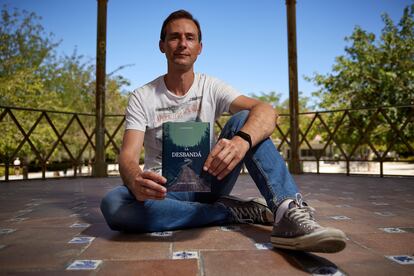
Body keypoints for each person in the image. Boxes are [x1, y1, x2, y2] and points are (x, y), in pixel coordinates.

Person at [101, 9, 346, 253]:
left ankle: (287, 210)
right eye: (174, 37)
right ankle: (230, 212)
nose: (182, 44)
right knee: (114, 205)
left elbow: (267, 111)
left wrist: (241, 142)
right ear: (162, 45)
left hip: (209, 179)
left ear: (199, 47)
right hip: (163, 190)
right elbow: (128, 157)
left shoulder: (212, 86)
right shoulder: (142, 96)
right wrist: (135, 180)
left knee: (245, 118)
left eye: (190, 37)